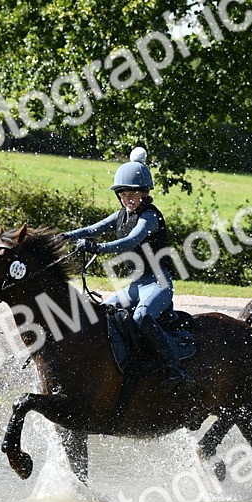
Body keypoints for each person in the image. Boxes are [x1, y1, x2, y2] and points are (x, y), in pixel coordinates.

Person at [61, 148, 194, 385]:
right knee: (103, 312)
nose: (128, 198)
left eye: (133, 194)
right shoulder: (121, 214)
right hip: (136, 285)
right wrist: (64, 236)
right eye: (123, 194)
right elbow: (93, 229)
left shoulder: (149, 218)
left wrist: (97, 249)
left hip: (158, 284)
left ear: (145, 193)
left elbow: (130, 241)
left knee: (142, 315)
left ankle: (176, 369)